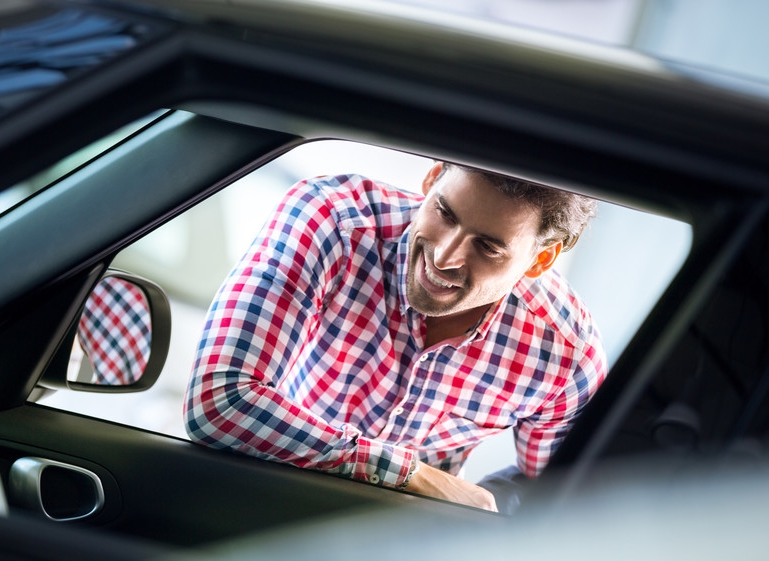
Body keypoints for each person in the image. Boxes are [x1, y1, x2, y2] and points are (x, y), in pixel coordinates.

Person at [183, 162, 607, 512]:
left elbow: (559, 493)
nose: (444, 256)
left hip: (403, 552)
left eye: (488, 248)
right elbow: (218, 402)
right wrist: (410, 474)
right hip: (260, 493)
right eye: (444, 213)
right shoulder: (332, 220)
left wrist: (483, 509)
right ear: (432, 177)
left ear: (541, 259)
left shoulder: (566, 356)